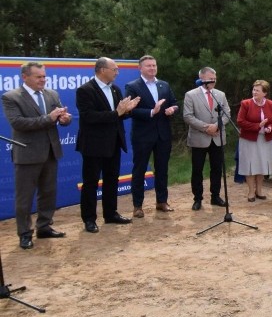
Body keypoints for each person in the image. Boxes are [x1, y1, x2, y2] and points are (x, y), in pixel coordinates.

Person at [2, 61, 73, 249]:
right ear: (25, 77)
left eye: (44, 76)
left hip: (50, 151)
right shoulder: (11, 97)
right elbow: (18, 123)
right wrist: (48, 118)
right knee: (24, 197)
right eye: (38, 77)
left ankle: (44, 226)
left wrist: (65, 119)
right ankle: (25, 233)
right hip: (27, 154)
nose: (43, 80)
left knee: (48, 193)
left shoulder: (52, 94)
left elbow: (63, 118)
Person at [76, 58, 140, 232]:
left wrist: (128, 111)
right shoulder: (85, 90)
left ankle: (110, 214)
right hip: (93, 144)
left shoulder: (115, 89)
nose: (117, 73)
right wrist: (116, 112)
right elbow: (89, 117)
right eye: (115, 69)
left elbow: (118, 116)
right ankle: (89, 219)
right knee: (91, 182)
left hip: (113, 142)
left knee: (112, 180)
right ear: (102, 70)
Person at [125, 55, 179, 218]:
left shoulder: (164, 85)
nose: (152, 68)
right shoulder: (133, 86)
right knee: (139, 170)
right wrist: (151, 112)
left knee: (162, 169)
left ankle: (162, 201)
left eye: (154, 65)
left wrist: (172, 110)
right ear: (140, 68)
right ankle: (138, 206)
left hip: (163, 134)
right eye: (148, 66)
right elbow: (129, 110)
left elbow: (175, 103)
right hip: (143, 135)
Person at [183, 67, 230, 210]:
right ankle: (197, 198)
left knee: (217, 169)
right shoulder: (191, 95)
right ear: (202, 79)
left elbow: (227, 112)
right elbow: (188, 116)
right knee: (197, 170)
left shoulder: (220, 94)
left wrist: (216, 126)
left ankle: (215, 196)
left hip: (217, 137)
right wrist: (206, 128)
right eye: (211, 78)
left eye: (215, 78)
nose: (213, 81)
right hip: (199, 139)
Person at [236, 79, 272, 201]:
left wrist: (270, 128)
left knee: (261, 164)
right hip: (249, 139)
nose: (254, 92)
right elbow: (240, 121)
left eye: (257, 90)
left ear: (264, 93)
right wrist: (258, 126)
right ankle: (250, 191)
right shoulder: (246, 104)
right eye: (253, 90)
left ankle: (259, 190)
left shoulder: (271, 104)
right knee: (250, 165)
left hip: (264, 140)